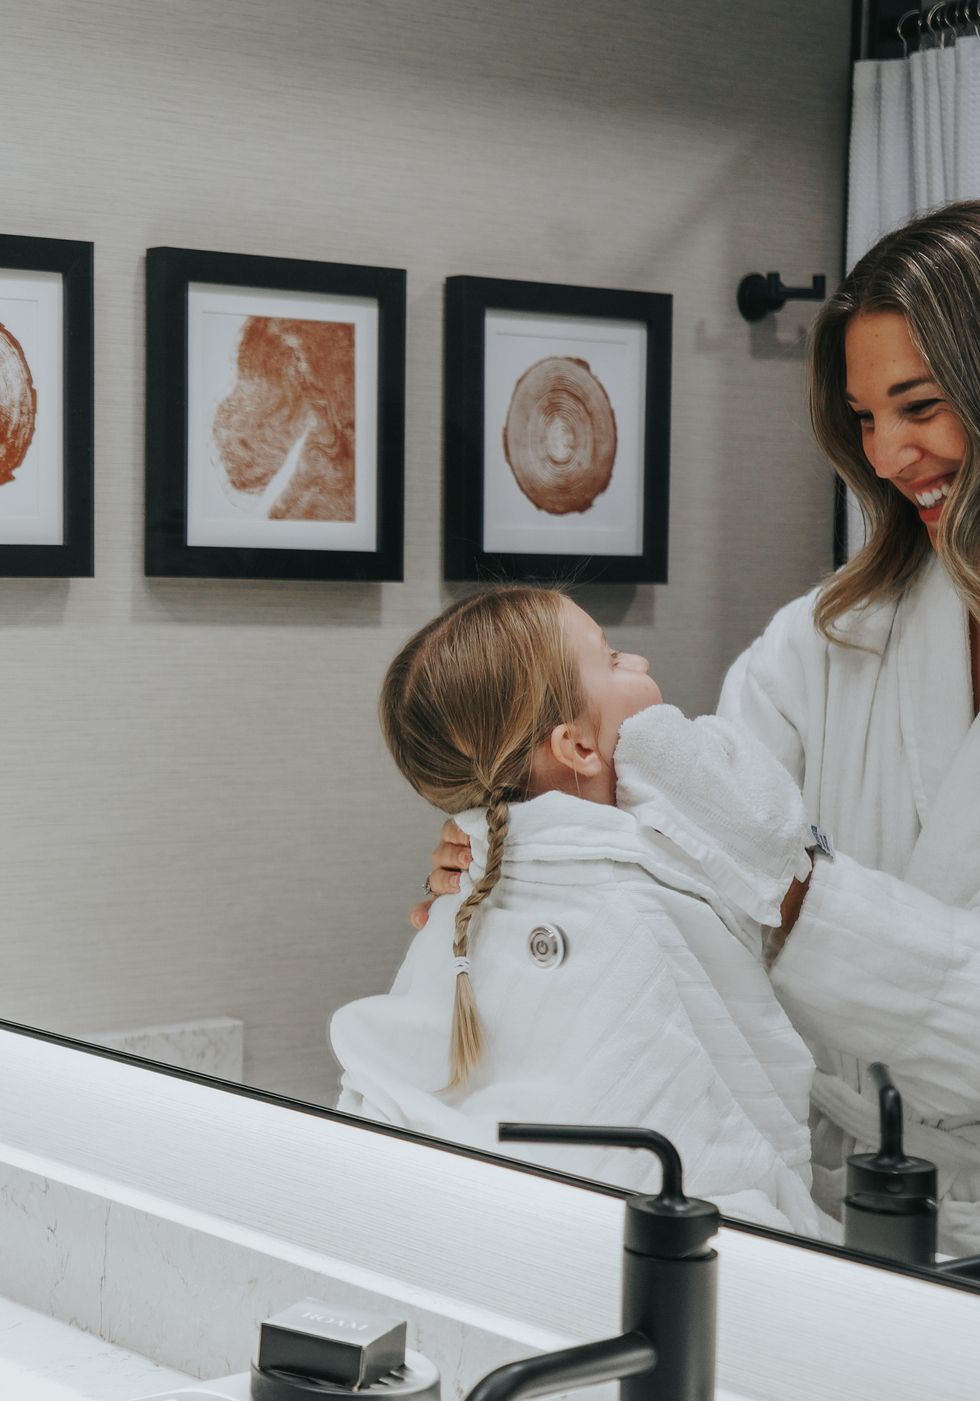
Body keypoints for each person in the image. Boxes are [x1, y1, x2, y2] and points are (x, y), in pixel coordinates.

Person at [417, 201, 980, 1251]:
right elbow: (683, 845)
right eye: (864, 418)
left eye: (920, 405)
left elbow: (754, 863)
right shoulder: (829, 634)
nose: (890, 454)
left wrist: (801, 898)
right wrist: (525, 858)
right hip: (828, 1191)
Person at [346, 588, 823, 1234]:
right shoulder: (625, 895)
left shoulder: (478, 888)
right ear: (575, 746)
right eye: (615, 657)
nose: (641, 662)